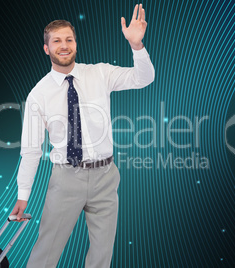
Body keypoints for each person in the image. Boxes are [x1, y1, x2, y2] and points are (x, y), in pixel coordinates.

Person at [10, 4, 154, 268]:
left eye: (69, 39)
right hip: (66, 179)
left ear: (75, 43)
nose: (64, 45)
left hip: (106, 176)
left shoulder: (99, 73)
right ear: (47, 48)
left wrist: (137, 46)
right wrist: (23, 194)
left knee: (102, 254)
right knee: (46, 251)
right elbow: (31, 149)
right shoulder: (38, 94)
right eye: (56, 41)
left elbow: (143, 78)